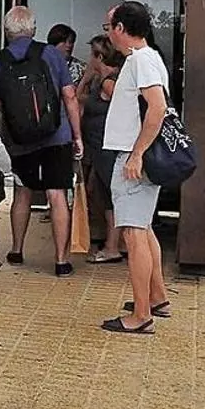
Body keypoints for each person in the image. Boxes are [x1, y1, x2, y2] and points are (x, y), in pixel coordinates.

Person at [0, 6, 83, 277]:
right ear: (33, 29)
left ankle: (17, 250)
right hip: (56, 135)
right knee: (56, 194)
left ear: (7, 31)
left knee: (22, 192)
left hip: (21, 140)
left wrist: (8, 139)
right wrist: (77, 135)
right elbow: (70, 96)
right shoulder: (51, 54)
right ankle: (61, 260)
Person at [100, 1, 171, 334]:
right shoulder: (148, 57)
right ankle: (157, 297)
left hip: (132, 157)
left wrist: (137, 154)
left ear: (120, 28)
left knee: (133, 233)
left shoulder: (141, 60)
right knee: (144, 228)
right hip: (137, 155)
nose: (107, 34)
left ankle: (141, 315)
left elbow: (157, 108)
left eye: (108, 27)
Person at [78, 35, 126, 264]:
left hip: (108, 147)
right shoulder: (102, 80)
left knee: (111, 196)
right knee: (103, 194)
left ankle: (113, 246)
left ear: (99, 57)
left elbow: (124, 108)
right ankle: (113, 242)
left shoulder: (109, 82)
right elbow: (79, 97)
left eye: (92, 55)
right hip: (99, 147)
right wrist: (87, 78)